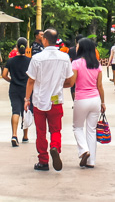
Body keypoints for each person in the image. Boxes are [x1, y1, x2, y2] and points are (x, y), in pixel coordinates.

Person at [25, 28, 75, 171]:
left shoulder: (37, 58)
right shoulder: (64, 57)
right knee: (56, 129)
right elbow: (69, 80)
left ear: (45, 40)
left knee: (41, 131)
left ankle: (43, 160)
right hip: (56, 99)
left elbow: (30, 81)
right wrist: (58, 84)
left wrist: (26, 99)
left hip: (39, 100)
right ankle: (55, 146)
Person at [70, 37, 107, 169]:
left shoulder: (76, 63)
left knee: (77, 127)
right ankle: (91, 161)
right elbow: (100, 86)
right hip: (95, 99)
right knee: (91, 130)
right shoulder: (97, 64)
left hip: (81, 99)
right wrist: (103, 103)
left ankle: (84, 150)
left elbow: (72, 82)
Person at [3, 38, 32, 146]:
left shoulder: (11, 61)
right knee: (25, 111)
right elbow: (33, 76)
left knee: (15, 111)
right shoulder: (30, 61)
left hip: (14, 88)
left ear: (17, 47)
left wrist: (11, 80)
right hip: (26, 89)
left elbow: (4, 74)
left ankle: (14, 135)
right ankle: (25, 136)